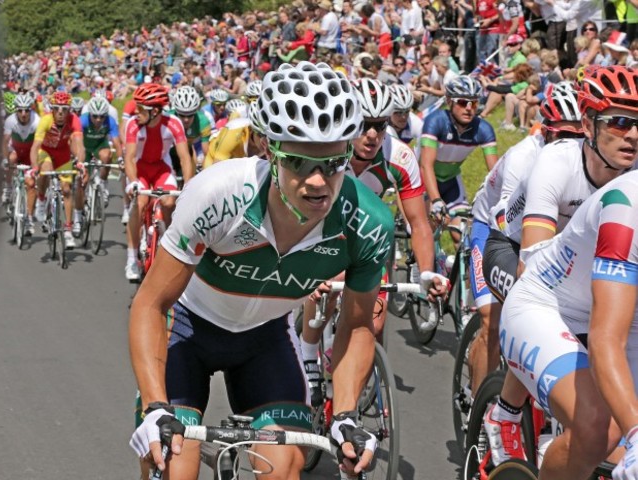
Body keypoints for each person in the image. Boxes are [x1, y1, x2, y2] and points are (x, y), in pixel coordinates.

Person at [128, 61, 393, 480]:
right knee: (175, 462)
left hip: (265, 340)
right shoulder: (219, 195)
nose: (319, 181)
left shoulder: (369, 222)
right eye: (300, 163)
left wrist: (344, 415)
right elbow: (151, 302)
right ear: (270, 152)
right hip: (188, 333)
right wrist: (156, 407)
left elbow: (358, 325)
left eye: (333, 163)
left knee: (285, 465)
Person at [483, 66, 638, 473]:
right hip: (523, 259)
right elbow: (531, 254)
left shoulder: (628, 177)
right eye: (620, 122)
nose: (633, 135)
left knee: (619, 434)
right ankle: (506, 408)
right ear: (587, 124)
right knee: (597, 425)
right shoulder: (556, 161)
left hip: (589, 277)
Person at [299, 78, 446, 404]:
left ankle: (347, 390)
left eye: (380, 126)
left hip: (364, 239)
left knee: (376, 323)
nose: (372, 135)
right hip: (321, 227)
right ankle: (307, 350)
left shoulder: (400, 156)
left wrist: (424, 273)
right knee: (331, 285)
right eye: (364, 125)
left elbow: (419, 223)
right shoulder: (327, 150)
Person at [467, 81, 584, 398]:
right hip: (496, 229)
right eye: (565, 136)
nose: (573, 145)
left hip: (550, 243)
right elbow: (507, 223)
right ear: (544, 131)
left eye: (580, 136)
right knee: (493, 320)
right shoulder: (526, 158)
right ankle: (482, 413)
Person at [123, 83, 193, 281]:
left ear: (154, 110)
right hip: (141, 170)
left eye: (140, 108)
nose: (136, 112)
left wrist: (188, 186)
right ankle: (131, 258)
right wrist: (134, 181)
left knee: (169, 203)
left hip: (161, 168)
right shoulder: (133, 124)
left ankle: (169, 247)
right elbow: (129, 157)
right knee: (140, 203)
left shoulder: (174, 123)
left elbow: (185, 158)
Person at [420, 75, 497, 242]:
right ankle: (420, 267)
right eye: (462, 102)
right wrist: (436, 200)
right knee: (429, 228)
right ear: (449, 101)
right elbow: (426, 166)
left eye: (474, 103)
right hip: (423, 178)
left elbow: (496, 172)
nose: (469, 108)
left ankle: (460, 267)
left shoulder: (483, 129)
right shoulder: (436, 121)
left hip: (451, 181)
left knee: (461, 232)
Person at [29, 90, 86, 249]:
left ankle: (68, 230)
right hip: (46, 151)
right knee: (45, 170)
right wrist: (34, 167)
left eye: (64, 109)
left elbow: (80, 145)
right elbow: (35, 147)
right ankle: (41, 200)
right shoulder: (45, 120)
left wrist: (80, 163)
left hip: (63, 154)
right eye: (57, 109)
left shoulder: (74, 120)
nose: (61, 113)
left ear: (69, 110)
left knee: (67, 189)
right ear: (52, 109)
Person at [2, 93, 40, 235]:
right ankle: (8, 187)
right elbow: (5, 143)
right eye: (20, 110)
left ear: (31, 110)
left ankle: (29, 218)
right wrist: (5, 160)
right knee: (11, 159)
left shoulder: (37, 121)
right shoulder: (10, 121)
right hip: (16, 150)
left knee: (30, 184)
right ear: (16, 110)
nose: (23, 114)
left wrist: (36, 165)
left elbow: (39, 146)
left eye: (26, 110)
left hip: (30, 153)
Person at [80, 96, 123, 211]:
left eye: (102, 116)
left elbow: (117, 143)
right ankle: (80, 210)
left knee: (107, 156)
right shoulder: (83, 120)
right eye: (95, 116)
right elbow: (75, 140)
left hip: (100, 146)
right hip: (85, 148)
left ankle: (103, 182)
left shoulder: (110, 121)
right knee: (83, 180)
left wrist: (120, 159)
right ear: (90, 114)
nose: (98, 119)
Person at [168, 85, 211, 175]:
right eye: (182, 115)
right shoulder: (168, 119)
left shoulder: (203, 121)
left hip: (195, 148)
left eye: (190, 114)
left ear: (195, 111)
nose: (186, 119)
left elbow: (206, 152)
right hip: (171, 150)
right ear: (176, 111)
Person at [387, 83, 422, 161]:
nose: (403, 117)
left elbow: (417, 160)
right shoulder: (381, 123)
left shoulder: (417, 124)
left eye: (407, 111)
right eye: (398, 112)